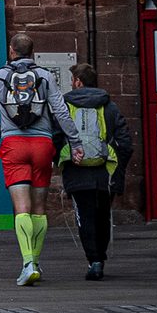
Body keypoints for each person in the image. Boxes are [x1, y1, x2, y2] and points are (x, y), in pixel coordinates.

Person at [0, 32, 79, 287]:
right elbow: (61, 111)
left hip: (14, 145)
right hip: (43, 144)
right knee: (39, 208)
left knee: (21, 208)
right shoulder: (44, 76)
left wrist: (1, 129)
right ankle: (37, 260)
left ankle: (27, 263)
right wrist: (75, 141)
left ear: (12, 50)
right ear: (32, 52)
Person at [60, 63, 133, 278]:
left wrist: (64, 158)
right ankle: (100, 257)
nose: (72, 84)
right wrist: (117, 168)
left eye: (73, 79)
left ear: (79, 82)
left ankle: (93, 261)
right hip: (105, 173)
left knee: (84, 216)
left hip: (77, 171)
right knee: (102, 216)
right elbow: (125, 143)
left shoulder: (65, 106)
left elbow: (56, 136)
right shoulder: (109, 106)